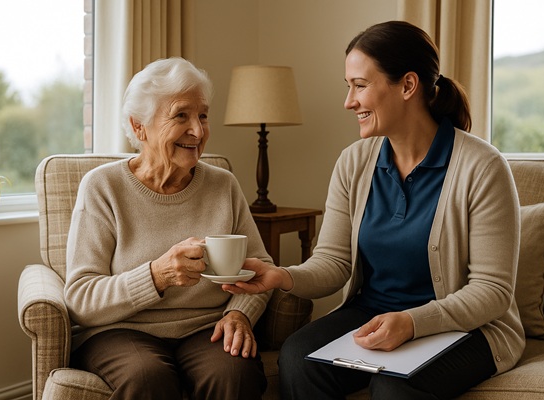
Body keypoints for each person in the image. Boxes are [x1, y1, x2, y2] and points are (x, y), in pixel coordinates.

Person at [224, 20, 525, 400]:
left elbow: (492, 291)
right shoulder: (354, 161)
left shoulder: (482, 167)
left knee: (393, 386)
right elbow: (333, 262)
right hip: (375, 313)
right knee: (298, 357)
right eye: (348, 86)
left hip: (470, 327)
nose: (349, 101)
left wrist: (413, 323)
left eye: (360, 86)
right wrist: (280, 276)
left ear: (408, 86)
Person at [65, 57, 272, 400]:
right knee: (148, 378)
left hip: (207, 327)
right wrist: (157, 275)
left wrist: (239, 314)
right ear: (139, 126)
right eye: (181, 116)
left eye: (203, 115)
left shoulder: (223, 185)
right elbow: (81, 299)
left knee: (234, 374)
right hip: (120, 331)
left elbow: (260, 269)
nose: (198, 130)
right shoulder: (103, 187)